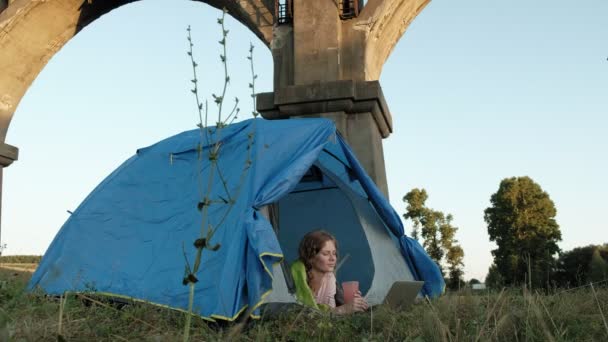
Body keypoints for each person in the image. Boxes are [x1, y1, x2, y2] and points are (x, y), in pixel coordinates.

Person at [291, 230, 368, 314]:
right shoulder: (297, 275)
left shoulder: (329, 277)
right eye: (325, 254)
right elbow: (304, 313)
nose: (333, 258)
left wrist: (351, 304)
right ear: (311, 257)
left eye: (334, 253)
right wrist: (343, 309)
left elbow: (331, 311)